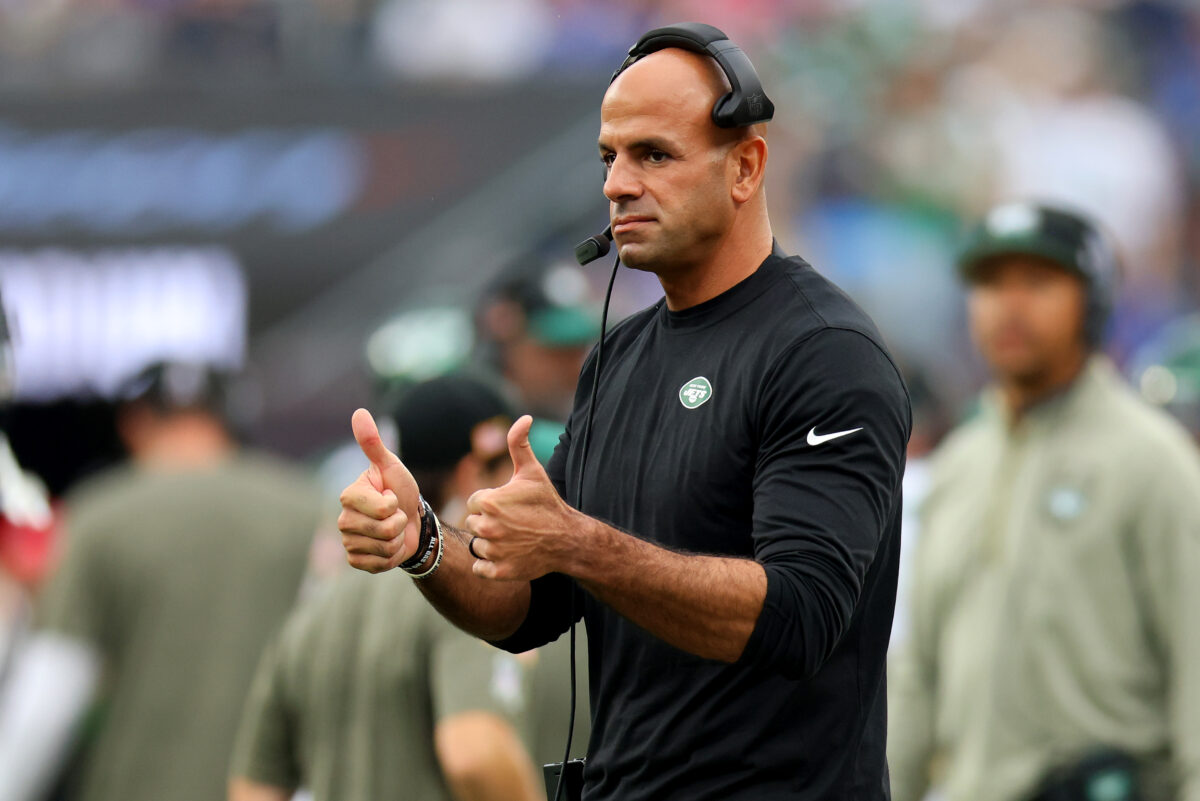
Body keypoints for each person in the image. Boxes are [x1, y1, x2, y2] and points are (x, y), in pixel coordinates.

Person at [339, 23, 910, 800]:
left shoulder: (824, 351)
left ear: (746, 166)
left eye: (654, 155)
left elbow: (800, 616)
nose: (616, 184)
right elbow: (535, 606)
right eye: (610, 156)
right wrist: (424, 540)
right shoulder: (616, 357)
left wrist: (577, 541)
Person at [887, 202, 1200, 801]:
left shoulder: (1152, 463)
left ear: (1095, 302)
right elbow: (917, 677)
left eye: (1038, 283)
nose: (1009, 305)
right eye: (990, 284)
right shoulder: (960, 465)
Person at [0, 361, 322, 801]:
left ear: (134, 423)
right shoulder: (309, 512)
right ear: (226, 419)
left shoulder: (100, 518)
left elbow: (52, 691)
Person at [229, 373, 544, 801]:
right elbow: (476, 754)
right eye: (512, 466)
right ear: (474, 470)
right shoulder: (470, 593)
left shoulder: (315, 610)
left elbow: (254, 788)